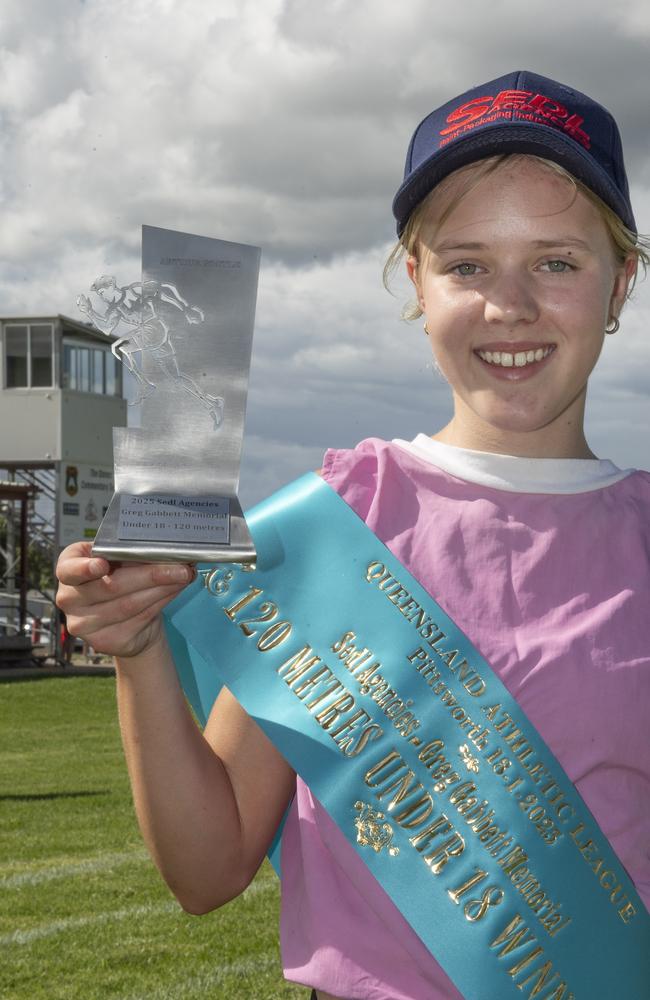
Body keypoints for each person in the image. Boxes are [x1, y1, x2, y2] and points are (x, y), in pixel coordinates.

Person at [55, 71, 649, 999]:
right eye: (466, 264)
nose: (511, 305)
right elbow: (206, 872)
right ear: (416, 282)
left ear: (623, 282)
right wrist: (138, 653)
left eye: (558, 262)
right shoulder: (332, 526)